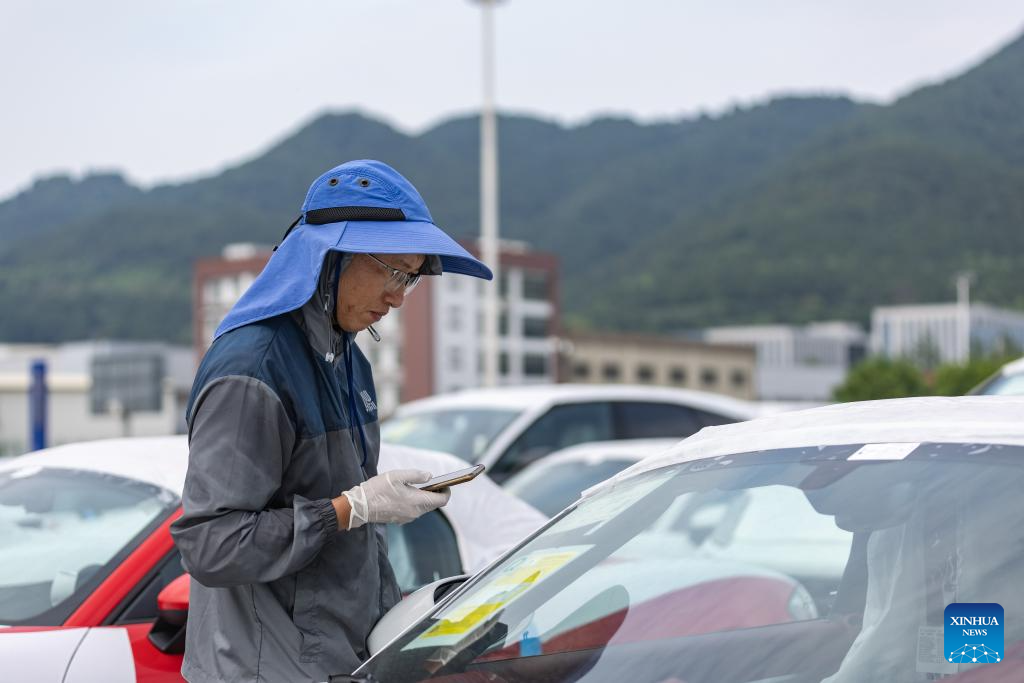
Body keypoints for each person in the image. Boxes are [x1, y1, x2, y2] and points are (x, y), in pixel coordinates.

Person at [170, 159, 493, 682]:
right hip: (263, 670)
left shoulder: (348, 359)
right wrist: (351, 508)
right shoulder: (254, 368)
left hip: (341, 661)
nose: (398, 297)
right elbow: (212, 544)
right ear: (332, 255)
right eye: (393, 272)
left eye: (411, 278)